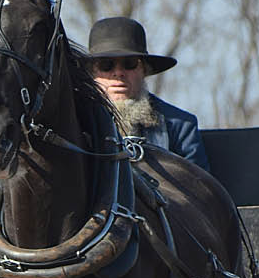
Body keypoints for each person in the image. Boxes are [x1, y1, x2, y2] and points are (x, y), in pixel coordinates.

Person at [87, 16, 210, 172]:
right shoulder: (76, 122)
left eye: (129, 64)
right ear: (92, 73)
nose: (118, 73)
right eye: (106, 65)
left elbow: (197, 191)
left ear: (145, 69)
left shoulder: (179, 127)